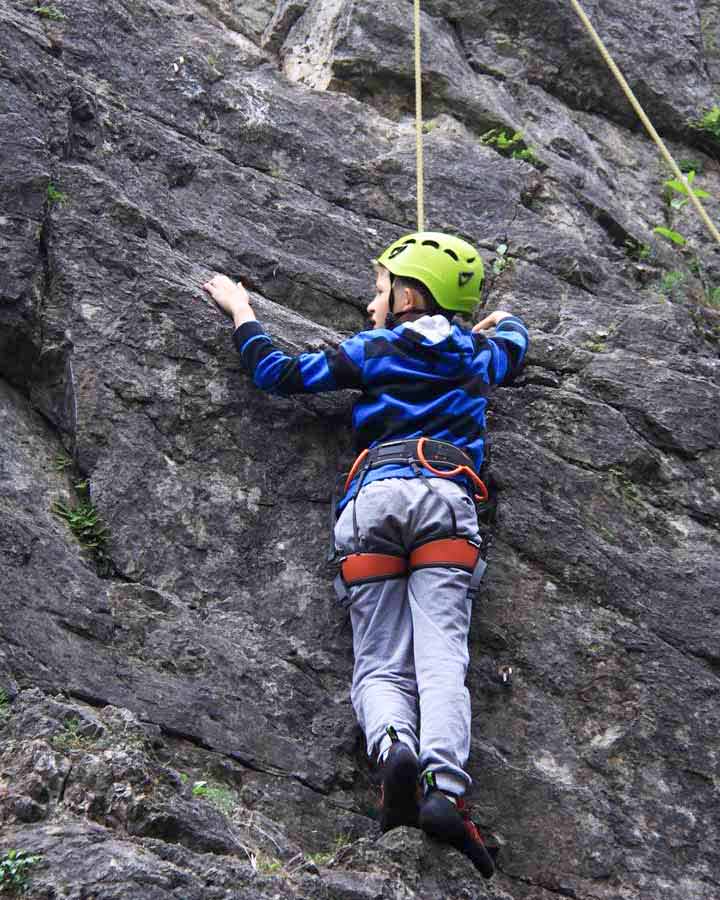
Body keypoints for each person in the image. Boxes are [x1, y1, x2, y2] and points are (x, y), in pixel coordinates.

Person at [203, 232, 529, 878]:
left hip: (374, 502)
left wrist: (243, 313)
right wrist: (495, 324)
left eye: (380, 288)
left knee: (379, 658)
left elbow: (279, 374)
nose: (370, 300)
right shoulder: (474, 354)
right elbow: (516, 347)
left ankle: (393, 747)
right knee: (441, 656)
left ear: (407, 297)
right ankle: (446, 790)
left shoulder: (372, 350)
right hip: (445, 500)